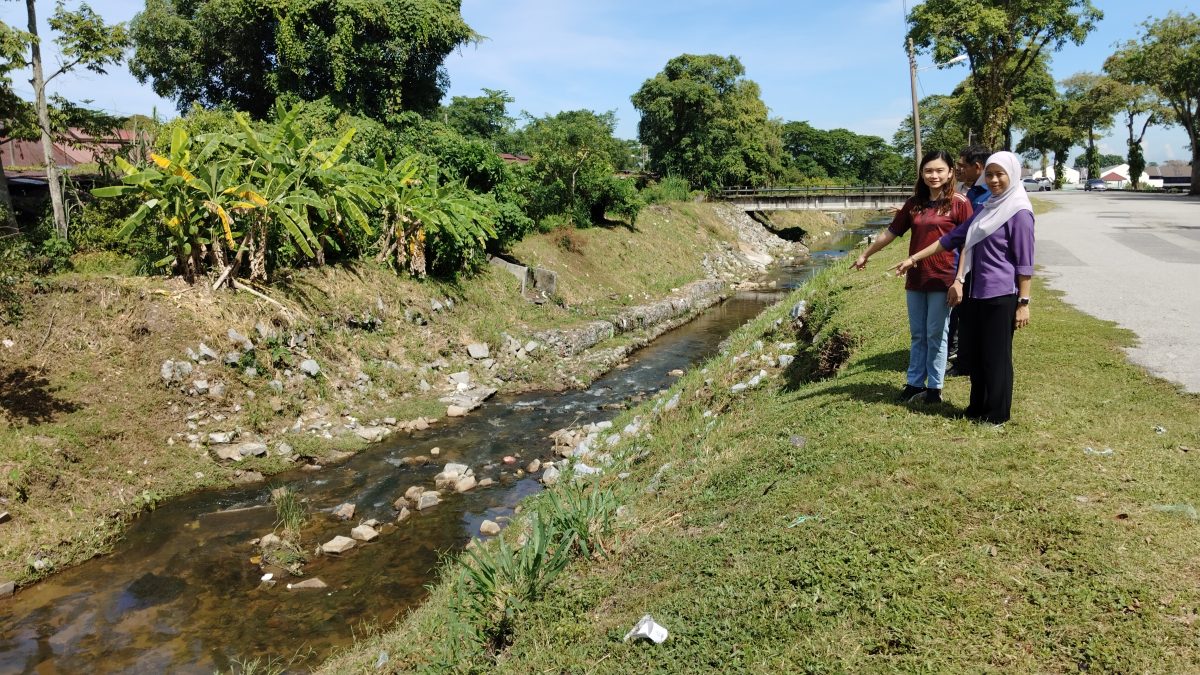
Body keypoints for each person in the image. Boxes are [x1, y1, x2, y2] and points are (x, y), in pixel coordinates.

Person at [894, 150, 1035, 425]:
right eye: (990, 175)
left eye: (1000, 175)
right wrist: (913, 258)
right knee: (976, 354)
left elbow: (1025, 264)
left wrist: (1024, 303)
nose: (994, 180)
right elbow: (953, 239)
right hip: (974, 291)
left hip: (1001, 295)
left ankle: (996, 414)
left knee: (996, 357)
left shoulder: (1019, 213)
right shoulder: (986, 208)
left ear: (1013, 176)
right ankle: (976, 408)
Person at [852, 150, 973, 404]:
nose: (934, 175)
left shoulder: (960, 202)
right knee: (918, 334)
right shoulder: (914, 203)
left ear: (950, 172)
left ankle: (935, 388)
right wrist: (866, 254)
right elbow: (891, 232)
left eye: (940, 170)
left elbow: (967, 244)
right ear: (921, 173)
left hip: (943, 279)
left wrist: (959, 280)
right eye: (928, 170)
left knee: (936, 334)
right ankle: (914, 382)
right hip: (916, 278)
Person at [946, 145, 993, 376]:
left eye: (962, 166)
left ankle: (966, 361)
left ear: (977, 167)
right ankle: (964, 358)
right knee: (964, 313)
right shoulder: (970, 191)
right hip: (966, 259)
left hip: (980, 263)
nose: (958, 170)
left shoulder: (989, 195)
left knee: (970, 314)